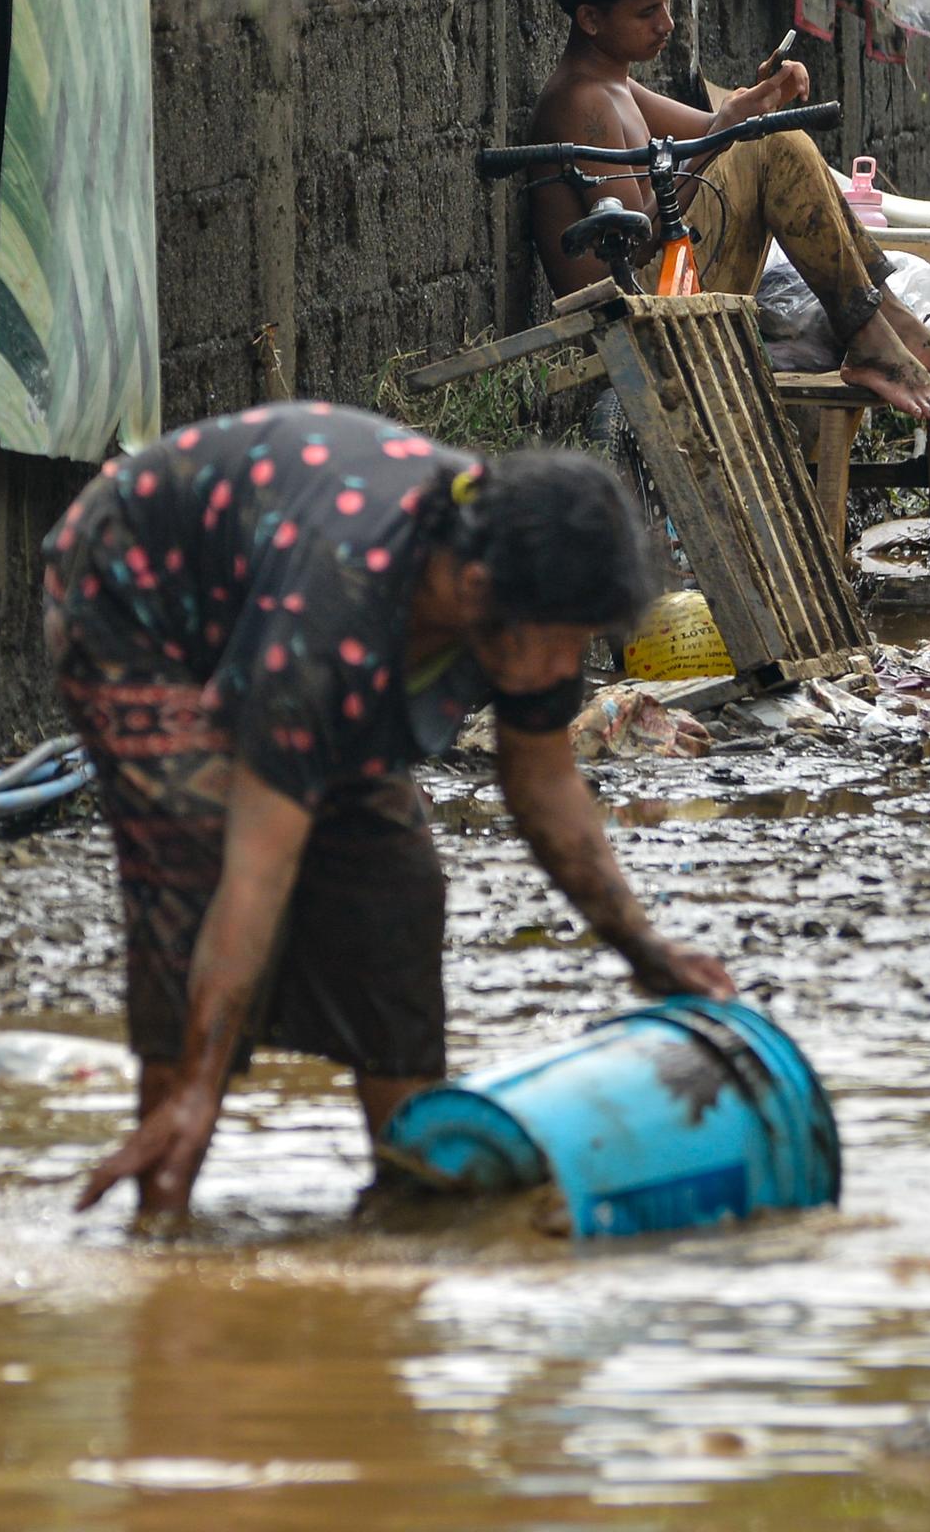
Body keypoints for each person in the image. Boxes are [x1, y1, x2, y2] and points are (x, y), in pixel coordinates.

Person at [45, 402, 734, 1218]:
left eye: (578, 643)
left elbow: (545, 786)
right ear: (477, 589)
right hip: (137, 598)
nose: (561, 666)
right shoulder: (338, 606)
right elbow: (256, 872)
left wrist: (643, 947)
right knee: (191, 864)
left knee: (399, 888)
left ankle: (415, 1198)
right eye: (552, 641)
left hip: (285, 611)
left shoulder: (529, 598)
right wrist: (200, 1086)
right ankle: (165, 1201)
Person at [522, 0, 930, 422]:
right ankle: (876, 332)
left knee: (771, 136)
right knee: (774, 145)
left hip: (661, 293)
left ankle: (884, 321)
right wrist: (729, 132)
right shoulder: (582, 99)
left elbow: (710, 130)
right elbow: (634, 243)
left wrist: (763, 94)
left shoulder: (615, 84)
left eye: (667, 4)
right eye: (647, 12)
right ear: (590, 19)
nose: (668, 25)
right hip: (629, 319)